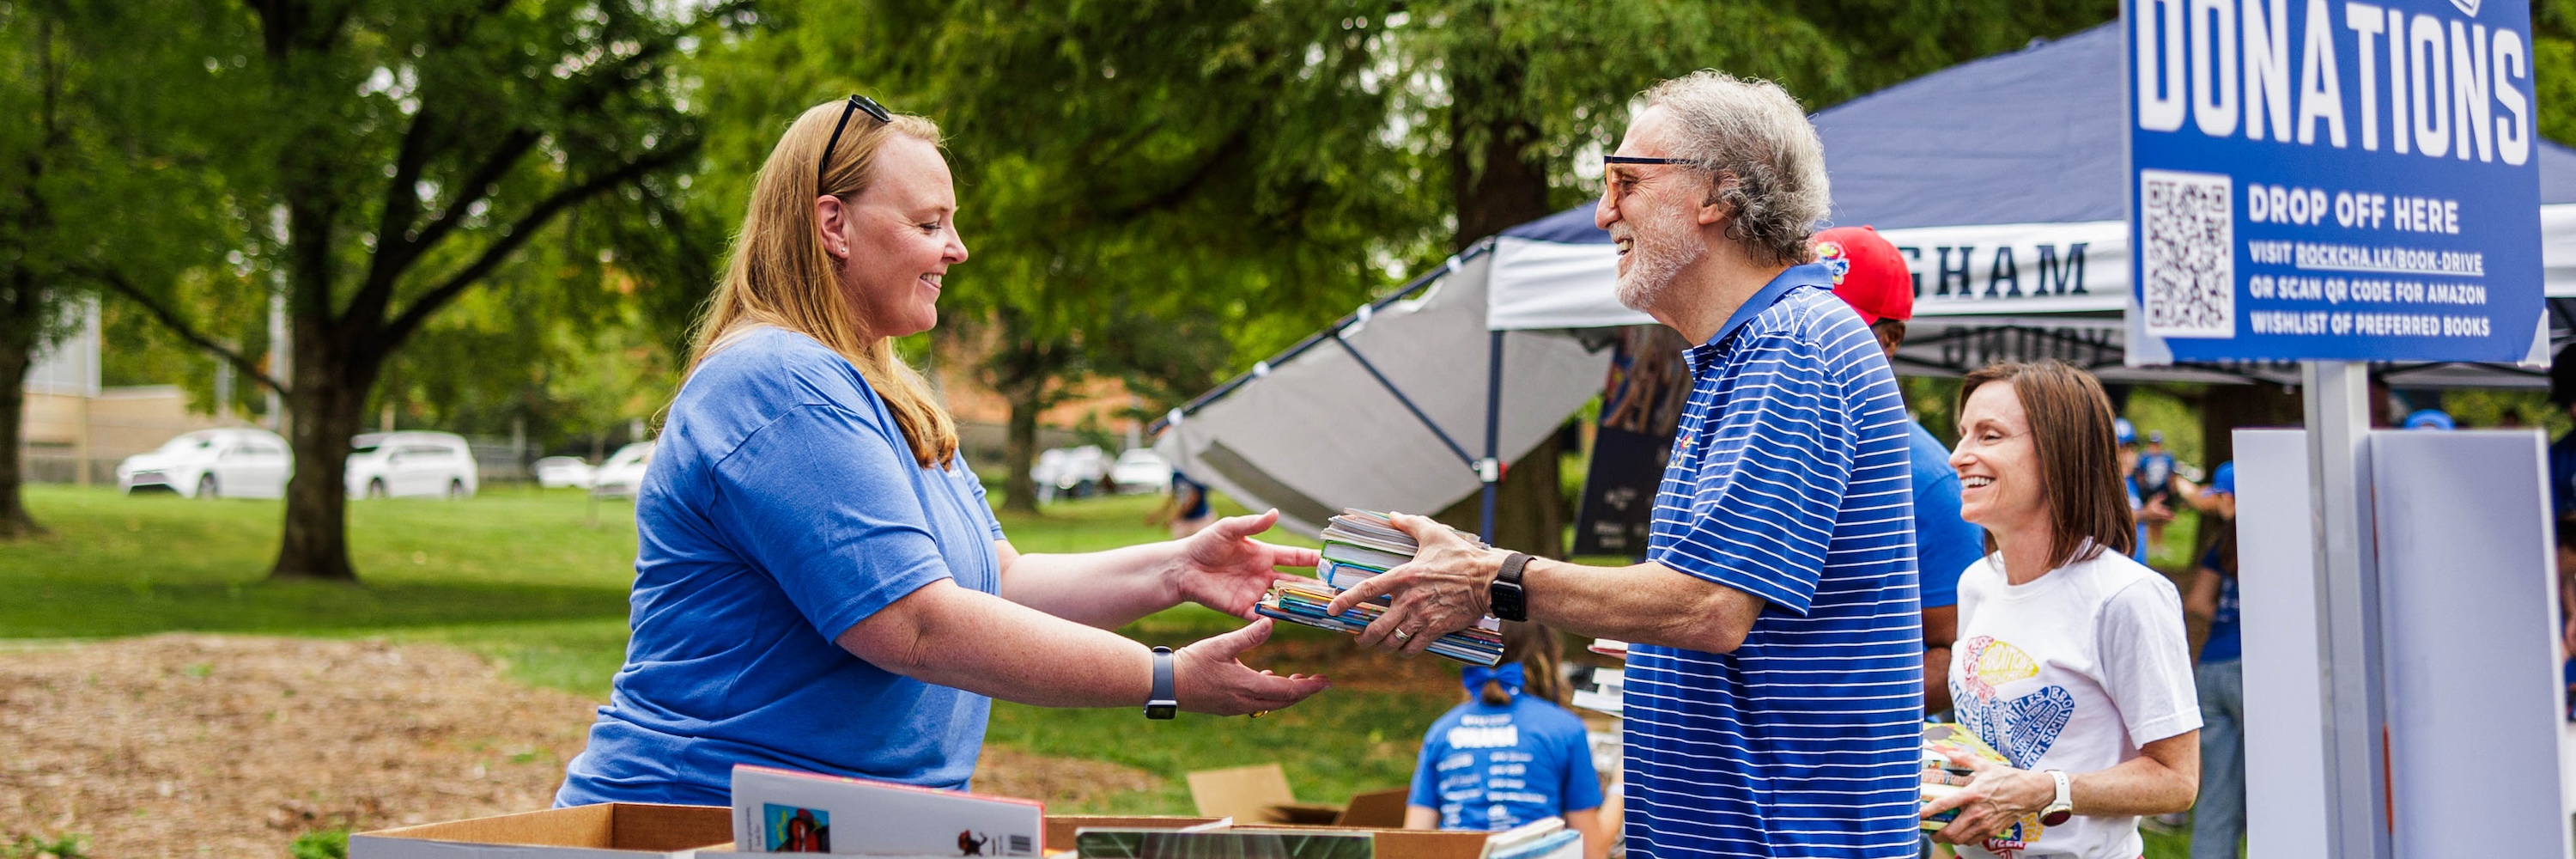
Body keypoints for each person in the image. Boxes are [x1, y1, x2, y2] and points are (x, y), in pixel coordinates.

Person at [554, 97, 1329, 806]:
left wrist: (1174, 570)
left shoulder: (891, 393)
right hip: (700, 819)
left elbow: (999, 581)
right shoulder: (779, 381)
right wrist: (1165, 679)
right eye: (929, 224)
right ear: (834, 226)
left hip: (847, 822)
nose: (956, 250)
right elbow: (917, 626)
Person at [1335, 71, 1924, 857]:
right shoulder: (1763, 346)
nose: (1604, 210)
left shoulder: (1792, 345)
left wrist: (1489, 576)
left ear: (1718, 193)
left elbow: (1709, 608)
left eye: (1625, 180)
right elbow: (1719, 609)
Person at [1923, 360, 2200, 857]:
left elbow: (2176, 780)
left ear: (2057, 453)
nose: (1958, 457)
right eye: (1963, 435)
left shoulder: (2126, 596)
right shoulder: (1976, 583)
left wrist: (2046, 790)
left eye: (1989, 436)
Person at [1814, 224, 1986, 716]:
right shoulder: (1760, 433)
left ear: (1888, 341)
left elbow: (1955, 654)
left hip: (1845, 770)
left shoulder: (1929, 482)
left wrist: (1822, 706)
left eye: (1837, 326)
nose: (1807, 338)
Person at [1405, 624, 1608, 859]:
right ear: (1543, 657)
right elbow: (1593, 852)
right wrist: (1619, 788)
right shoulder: (1566, 728)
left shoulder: (1441, 731)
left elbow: (1412, 841)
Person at [2184, 522, 2243, 859]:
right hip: (2255, 669)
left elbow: (2197, 602)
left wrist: (2227, 621)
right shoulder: (2286, 535)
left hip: (2211, 667)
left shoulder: (2227, 540)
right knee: (2279, 783)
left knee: (2217, 796)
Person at [2113, 420, 2156, 564]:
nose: (2127, 456)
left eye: (2131, 448)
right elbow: (2108, 520)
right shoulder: (2102, 485)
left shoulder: (2132, 482)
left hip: (2136, 568)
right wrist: (2145, 514)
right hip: (2115, 573)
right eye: (2120, 449)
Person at [2136, 430, 2177, 554]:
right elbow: (2140, 474)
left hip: (2162, 491)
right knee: (2149, 517)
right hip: (2148, 491)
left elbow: (2171, 474)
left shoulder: (2167, 457)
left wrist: (2172, 487)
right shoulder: (2144, 457)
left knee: (2160, 519)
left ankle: (2159, 545)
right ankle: (2151, 545)